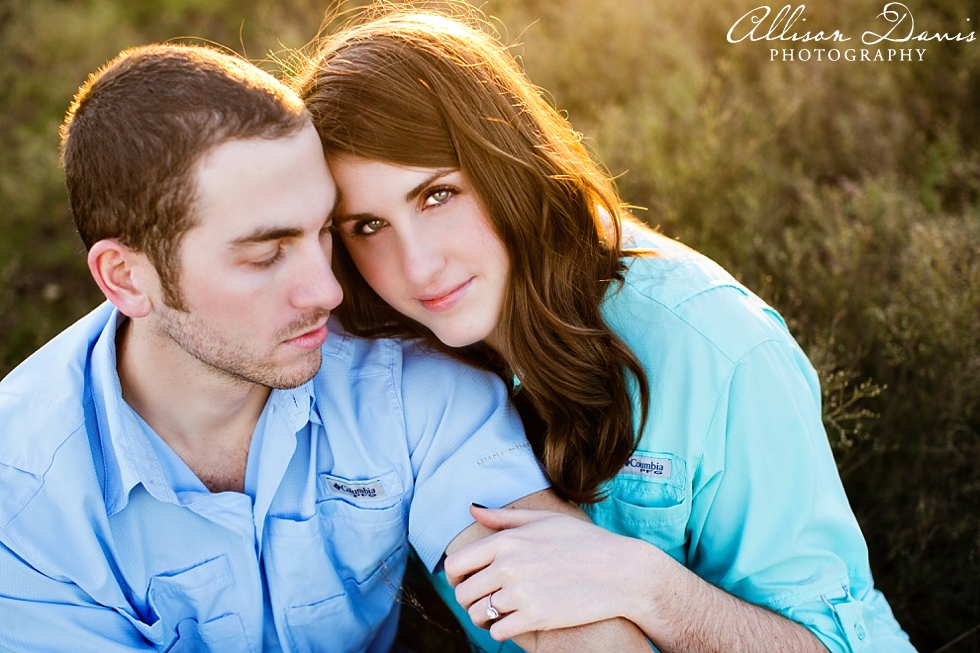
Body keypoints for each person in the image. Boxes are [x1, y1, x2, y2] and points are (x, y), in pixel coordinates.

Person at [295, 8, 919, 653]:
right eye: (367, 225)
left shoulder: (715, 347)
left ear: (505, 160)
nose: (418, 266)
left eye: (438, 195)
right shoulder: (375, 356)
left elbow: (828, 644)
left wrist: (643, 584)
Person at [0, 43, 649, 653]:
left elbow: (572, 613)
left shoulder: (402, 381)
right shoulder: (21, 493)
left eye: (325, 233)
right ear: (126, 277)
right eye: (264, 255)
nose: (327, 290)